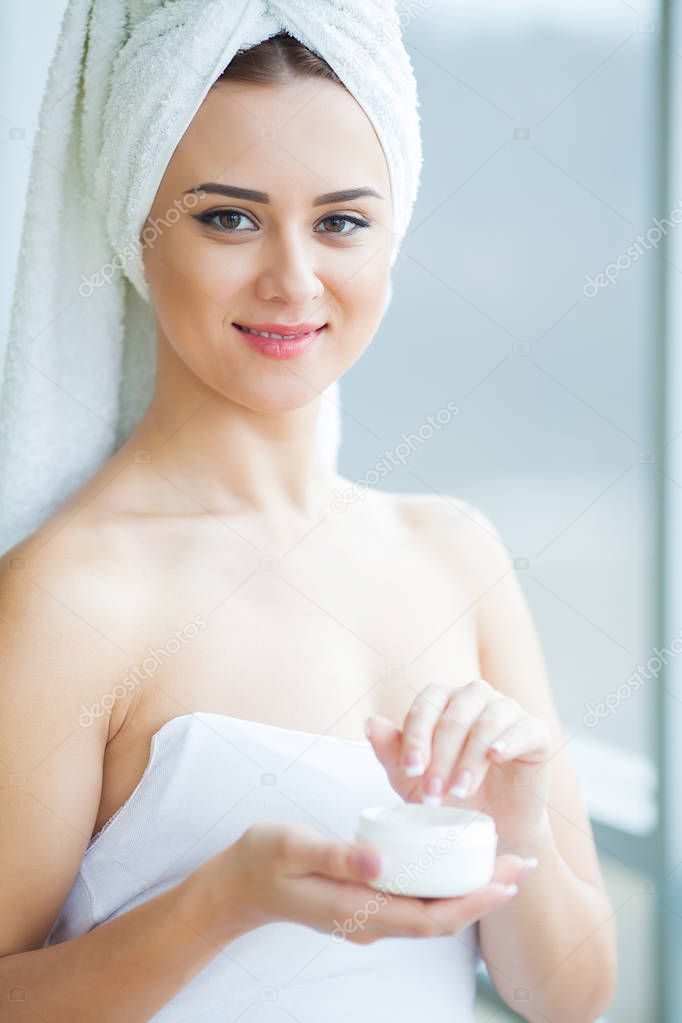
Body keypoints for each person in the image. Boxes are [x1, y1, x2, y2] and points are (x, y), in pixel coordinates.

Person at [0, 25, 616, 1023]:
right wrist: (218, 903)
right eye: (229, 218)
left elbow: (570, 1000)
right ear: (136, 226)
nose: (293, 280)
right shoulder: (68, 597)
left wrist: (517, 828)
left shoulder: (456, 554)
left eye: (340, 223)